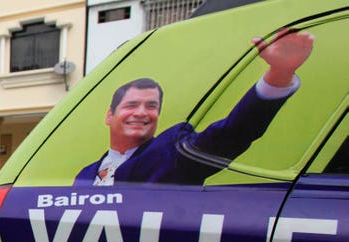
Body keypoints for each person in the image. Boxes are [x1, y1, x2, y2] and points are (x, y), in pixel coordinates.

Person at [73, 28, 314, 186]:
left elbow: (232, 134)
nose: (141, 112)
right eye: (132, 105)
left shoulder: (172, 151)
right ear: (109, 115)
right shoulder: (84, 175)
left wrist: (279, 75)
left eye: (151, 106)